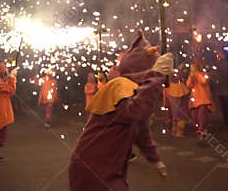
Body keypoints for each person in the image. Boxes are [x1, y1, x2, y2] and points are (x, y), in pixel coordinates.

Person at [69, 31, 173, 191]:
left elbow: (141, 131)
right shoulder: (120, 85)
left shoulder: (133, 89)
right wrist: (156, 76)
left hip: (108, 167)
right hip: (93, 165)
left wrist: (155, 159)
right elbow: (135, 111)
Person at [187, 61, 214, 138]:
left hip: (204, 97)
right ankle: (201, 128)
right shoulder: (192, 74)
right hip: (195, 98)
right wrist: (192, 75)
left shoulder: (204, 74)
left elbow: (204, 81)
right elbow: (189, 85)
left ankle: (202, 129)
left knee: (202, 114)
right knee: (194, 116)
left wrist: (197, 73)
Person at [164, 63, 189, 137]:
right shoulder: (173, 75)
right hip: (175, 92)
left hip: (177, 91)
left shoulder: (175, 74)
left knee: (177, 113)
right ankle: (177, 132)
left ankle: (176, 131)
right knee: (178, 114)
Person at [213, 50, 228, 130]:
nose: (218, 55)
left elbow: (223, 76)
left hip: (224, 88)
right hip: (224, 88)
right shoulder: (227, 64)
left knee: (226, 106)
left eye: (220, 54)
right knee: (226, 106)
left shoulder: (223, 64)